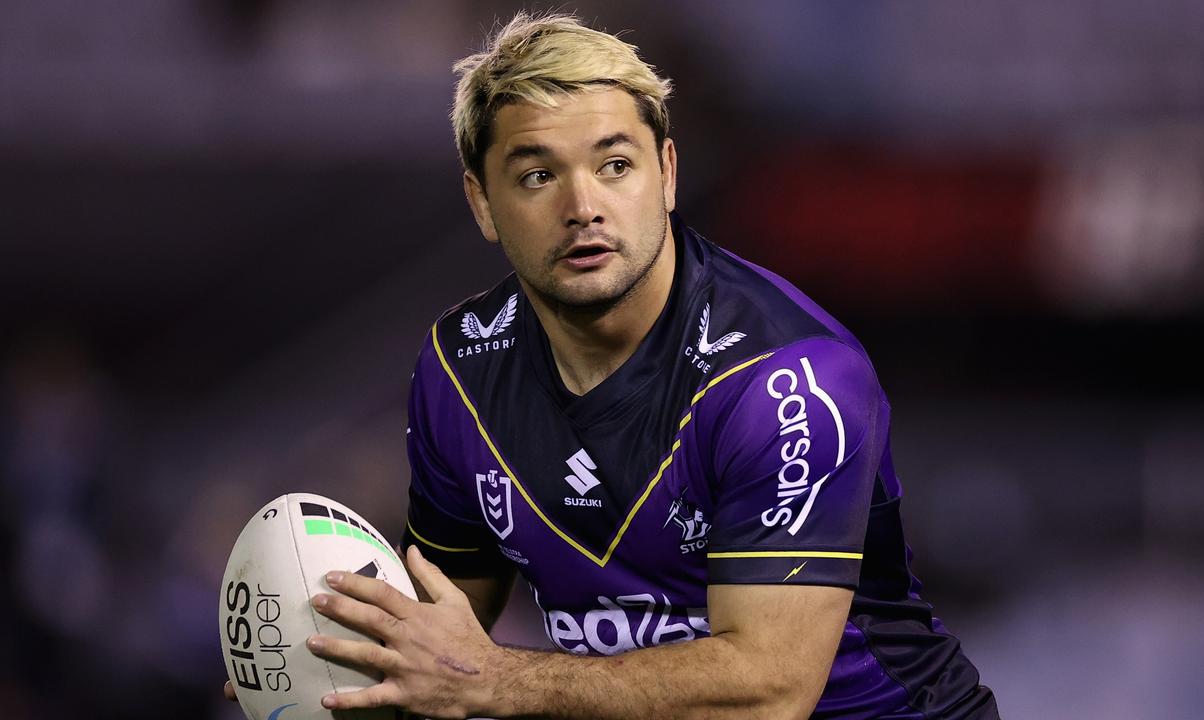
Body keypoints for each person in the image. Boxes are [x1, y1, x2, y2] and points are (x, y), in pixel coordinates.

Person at [227, 11, 998, 718]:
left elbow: (768, 695)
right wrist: (338, 662)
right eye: (537, 175)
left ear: (666, 174)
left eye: (615, 166)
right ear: (481, 203)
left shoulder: (787, 379)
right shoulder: (459, 369)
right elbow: (443, 617)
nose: (582, 205)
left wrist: (490, 679)